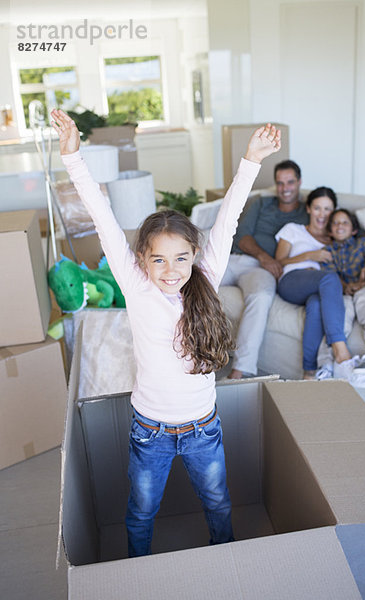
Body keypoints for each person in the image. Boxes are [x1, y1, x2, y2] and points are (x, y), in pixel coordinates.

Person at [51, 109, 281, 557]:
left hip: (204, 429)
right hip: (150, 432)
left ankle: (227, 559)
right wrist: (74, 160)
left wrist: (251, 159)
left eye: (180, 258)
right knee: (140, 511)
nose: (170, 270)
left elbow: (229, 216)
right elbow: (102, 217)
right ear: (141, 261)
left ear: (195, 255)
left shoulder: (207, 275)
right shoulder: (136, 287)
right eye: (158, 259)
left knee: (218, 503)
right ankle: (140, 572)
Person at [275, 187, 365, 388]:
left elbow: (364, 240)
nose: (322, 214)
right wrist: (309, 256)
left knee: (317, 305)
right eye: (318, 208)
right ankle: (342, 354)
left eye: (327, 209)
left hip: (317, 290)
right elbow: (279, 261)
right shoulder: (293, 229)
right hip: (291, 282)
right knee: (329, 278)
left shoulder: (335, 237)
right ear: (309, 209)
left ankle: (309, 375)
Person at [222, 159, 308, 379]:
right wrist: (265, 257)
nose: (285, 188)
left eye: (290, 182)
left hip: (261, 273)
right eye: (280, 183)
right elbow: (242, 237)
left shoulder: (307, 214)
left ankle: (238, 373)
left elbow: (339, 228)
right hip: (237, 259)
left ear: (299, 183)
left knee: (261, 296)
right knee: (195, 279)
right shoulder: (262, 203)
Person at [321, 208, 365, 373]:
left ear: (354, 229)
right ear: (330, 230)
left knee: (363, 295)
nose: (340, 226)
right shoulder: (328, 252)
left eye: (345, 222)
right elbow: (331, 276)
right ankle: (327, 363)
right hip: (348, 292)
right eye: (335, 223)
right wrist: (346, 287)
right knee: (340, 308)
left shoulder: (364, 243)